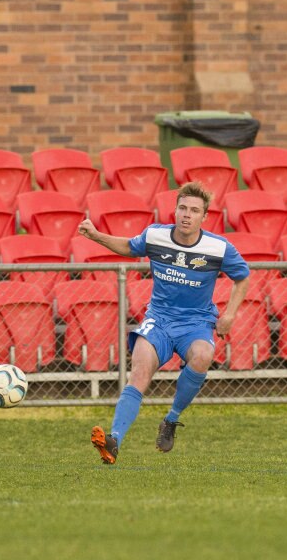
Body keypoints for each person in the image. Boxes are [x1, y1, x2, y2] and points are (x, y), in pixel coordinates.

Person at [77, 181, 250, 464]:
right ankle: (113, 441)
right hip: (159, 320)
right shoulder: (156, 236)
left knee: (204, 355)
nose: (186, 214)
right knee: (140, 372)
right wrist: (96, 236)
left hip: (196, 322)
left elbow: (242, 277)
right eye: (182, 207)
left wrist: (230, 314)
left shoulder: (218, 247)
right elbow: (129, 247)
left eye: (194, 210)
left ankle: (171, 420)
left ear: (204, 217)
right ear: (175, 209)